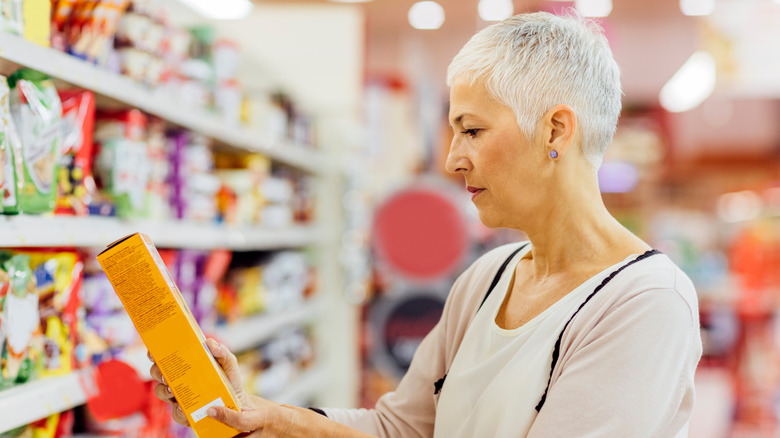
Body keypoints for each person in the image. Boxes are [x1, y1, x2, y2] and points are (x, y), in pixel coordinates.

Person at [150, 11, 702, 437]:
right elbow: (403, 429)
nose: (452, 160)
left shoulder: (644, 303)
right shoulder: (488, 279)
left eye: (473, 130)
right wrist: (259, 415)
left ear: (556, 131)